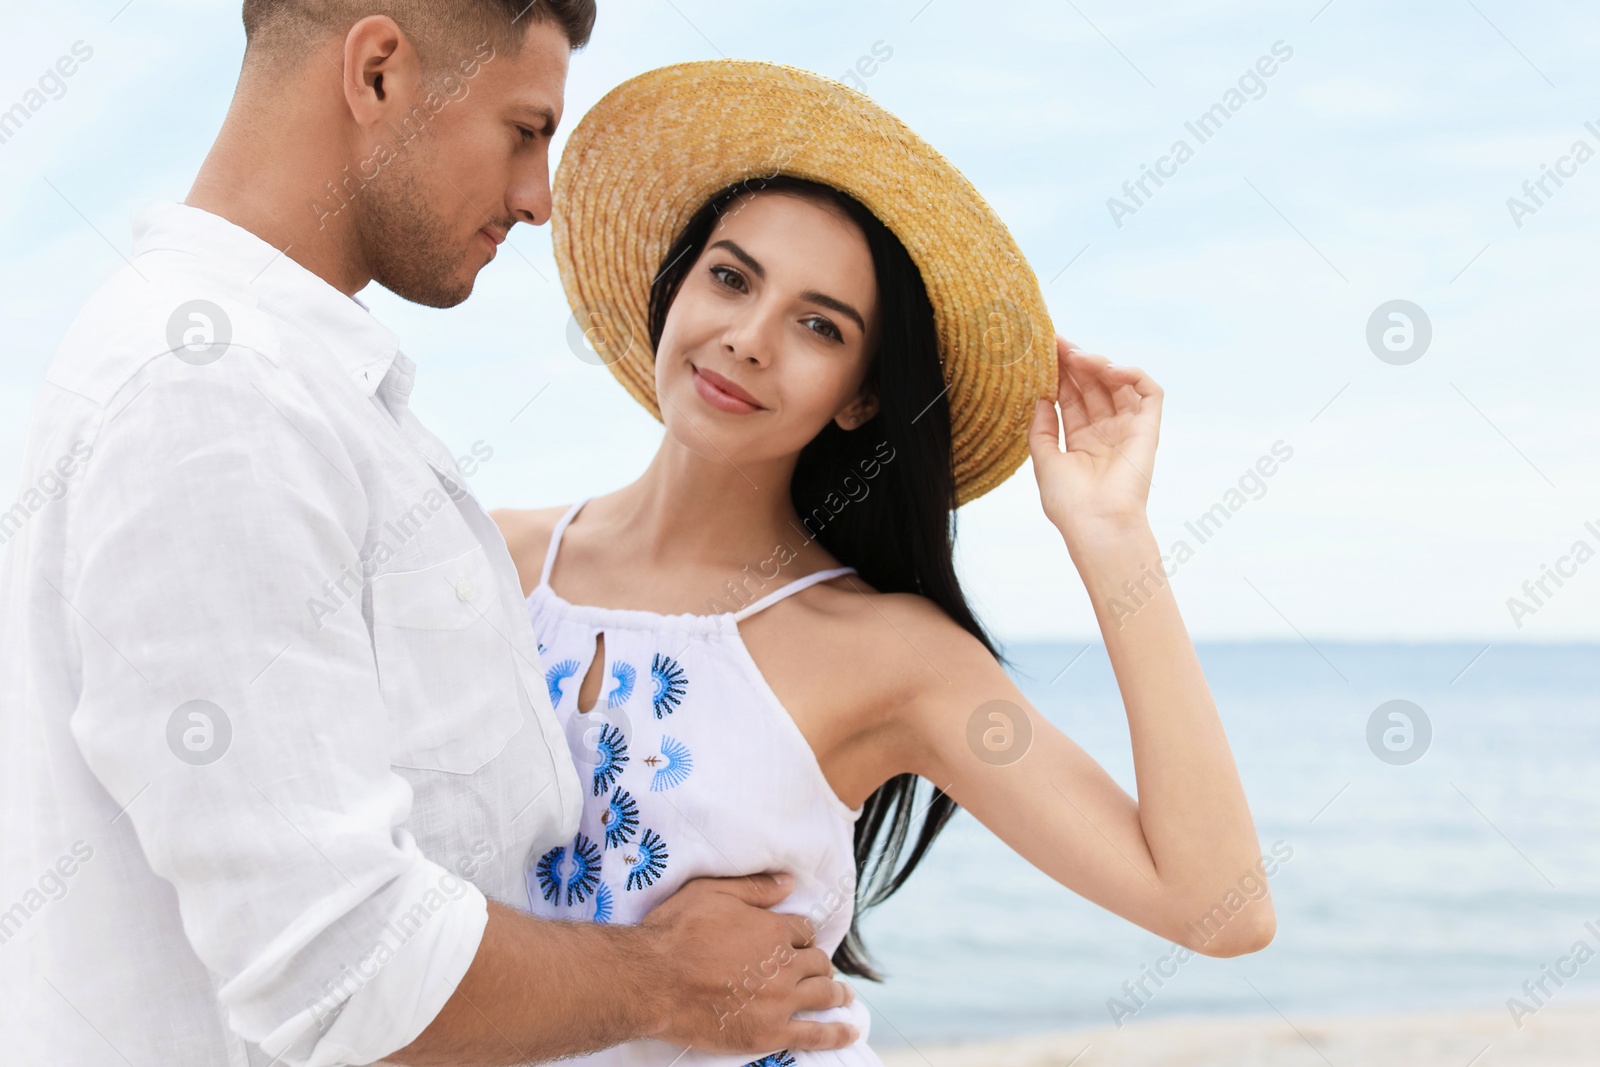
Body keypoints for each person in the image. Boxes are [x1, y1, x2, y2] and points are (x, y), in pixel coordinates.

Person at [0, 7, 862, 1066]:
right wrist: (674, 980)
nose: (538, 199)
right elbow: (341, 969)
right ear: (375, 74)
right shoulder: (213, 392)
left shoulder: (298, 391)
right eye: (523, 129)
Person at [492, 60, 1278, 1066]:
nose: (746, 338)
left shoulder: (889, 656)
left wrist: (1111, 533)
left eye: (819, 325)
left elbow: (1220, 907)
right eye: (731, 277)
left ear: (860, 395)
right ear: (671, 289)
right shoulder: (491, 560)